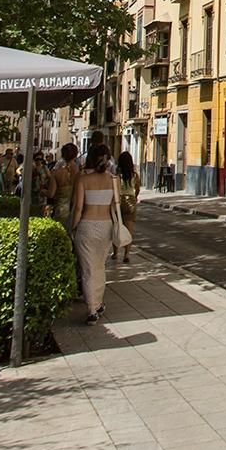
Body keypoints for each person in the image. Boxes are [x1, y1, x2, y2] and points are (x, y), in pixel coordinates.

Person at [71, 139, 118, 324]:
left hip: (87, 227)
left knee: (88, 269)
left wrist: (73, 227)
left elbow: (78, 208)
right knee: (99, 266)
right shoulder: (114, 180)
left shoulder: (83, 179)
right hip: (106, 226)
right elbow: (115, 205)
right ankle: (97, 303)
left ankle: (92, 308)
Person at [113, 151, 140, 262]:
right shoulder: (134, 175)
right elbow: (137, 188)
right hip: (130, 201)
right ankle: (127, 254)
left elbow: (115, 188)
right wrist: (134, 197)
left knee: (116, 227)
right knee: (129, 230)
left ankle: (115, 253)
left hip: (118, 201)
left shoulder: (117, 175)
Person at [47, 142, 80, 227]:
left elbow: (51, 194)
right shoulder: (80, 173)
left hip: (60, 209)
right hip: (75, 209)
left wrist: (43, 191)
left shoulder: (56, 173)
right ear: (76, 155)